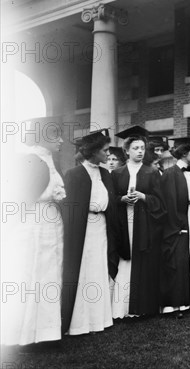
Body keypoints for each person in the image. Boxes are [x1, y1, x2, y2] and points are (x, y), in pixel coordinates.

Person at [1, 119, 65, 346]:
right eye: (56, 135)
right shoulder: (30, 159)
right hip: (33, 225)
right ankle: (24, 335)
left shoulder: (48, 160)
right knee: (32, 275)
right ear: (43, 136)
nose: (61, 140)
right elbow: (19, 196)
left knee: (48, 275)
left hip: (49, 224)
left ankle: (45, 333)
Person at [61, 129, 115, 336]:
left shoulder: (105, 174)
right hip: (84, 229)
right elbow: (70, 209)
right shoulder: (74, 175)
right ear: (92, 152)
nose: (108, 154)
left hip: (101, 226)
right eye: (105, 150)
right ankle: (79, 323)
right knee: (84, 269)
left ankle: (99, 319)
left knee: (99, 268)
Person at [111, 131, 165, 319]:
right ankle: (121, 307)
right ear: (127, 151)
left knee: (143, 260)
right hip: (124, 220)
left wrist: (144, 197)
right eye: (135, 148)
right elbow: (111, 199)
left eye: (142, 148)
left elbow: (161, 201)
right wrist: (122, 199)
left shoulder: (151, 172)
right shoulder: (117, 173)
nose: (140, 151)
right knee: (126, 259)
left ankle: (143, 306)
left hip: (145, 223)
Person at [160, 142, 190, 315]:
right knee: (178, 261)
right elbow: (168, 204)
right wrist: (177, 227)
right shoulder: (170, 174)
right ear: (184, 153)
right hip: (177, 226)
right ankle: (175, 303)